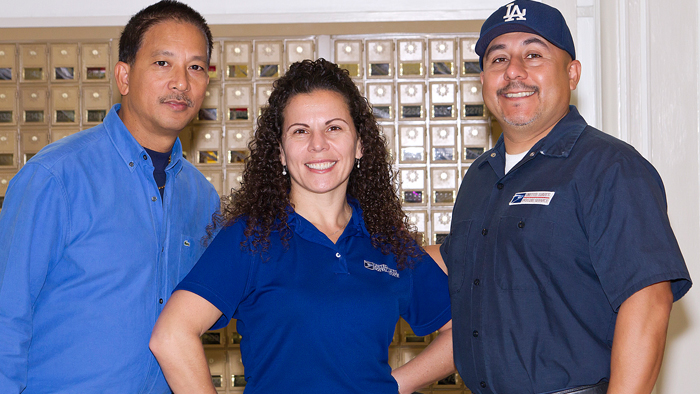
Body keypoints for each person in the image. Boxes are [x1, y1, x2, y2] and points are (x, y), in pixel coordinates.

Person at [429, 1, 693, 394]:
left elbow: (648, 301)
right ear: (483, 79)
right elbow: (458, 267)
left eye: (533, 54)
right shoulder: (480, 177)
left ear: (572, 73)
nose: (514, 71)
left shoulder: (609, 167)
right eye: (498, 59)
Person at [149, 58, 455, 394]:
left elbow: (463, 331)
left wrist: (396, 385)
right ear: (280, 152)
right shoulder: (252, 237)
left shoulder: (386, 242)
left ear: (360, 144)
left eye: (334, 128)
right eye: (300, 131)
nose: (318, 144)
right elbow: (172, 335)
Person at [0, 1, 220, 392]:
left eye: (196, 67)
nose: (181, 83)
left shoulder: (202, 198)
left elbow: (207, 315)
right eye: (162, 63)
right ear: (124, 76)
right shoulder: (56, 177)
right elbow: (6, 316)